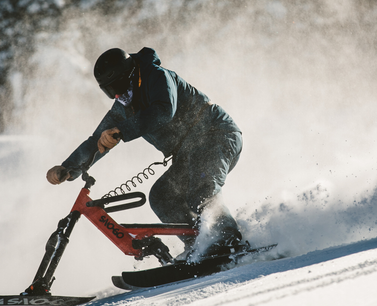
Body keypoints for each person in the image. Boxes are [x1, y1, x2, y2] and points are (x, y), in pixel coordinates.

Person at [46, 47, 243, 260]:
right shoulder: (123, 107)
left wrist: (123, 130)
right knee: (162, 196)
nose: (117, 94)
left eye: (118, 86)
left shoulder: (157, 76)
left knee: (202, 187)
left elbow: (164, 110)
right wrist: (68, 167)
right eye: (109, 91)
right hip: (189, 154)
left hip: (216, 135)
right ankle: (201, 245)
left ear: (130, 74)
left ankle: (228, 241)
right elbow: (97, 141)